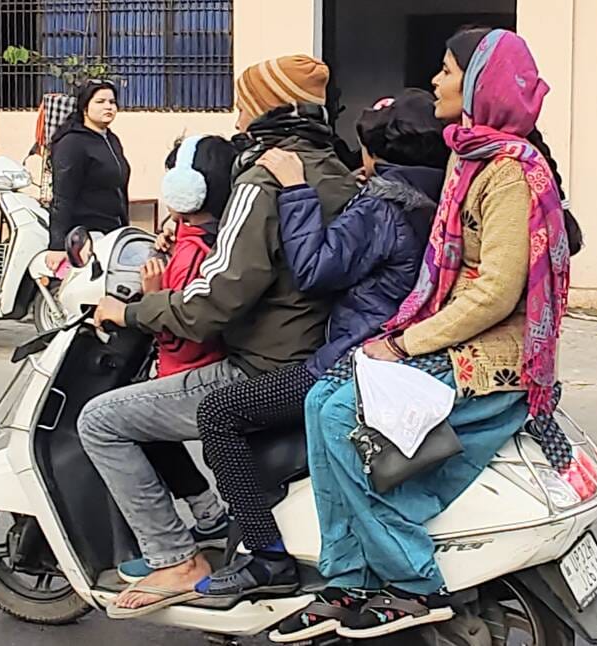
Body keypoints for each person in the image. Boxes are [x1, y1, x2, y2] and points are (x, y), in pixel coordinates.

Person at [273, 28, 581, 642]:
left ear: (479, 85)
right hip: (451, 338)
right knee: (318, 400)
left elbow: (495, 290)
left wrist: (404, 343)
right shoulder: (472, 159)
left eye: (446, 71)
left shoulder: (509, 173)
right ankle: (347, 579)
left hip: (490, 357)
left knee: (342, 418)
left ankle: (413, 585)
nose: (436, 81)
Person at [79, 54, 358, 618]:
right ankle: (211, 518)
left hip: (264, 367)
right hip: (321, 359)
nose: (238, 118)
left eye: (244, 104)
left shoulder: (261, 184)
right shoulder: (339, 175)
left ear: (263, 110)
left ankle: (175, 558)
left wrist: (131, 311)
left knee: (101, 420)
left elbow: (214, 300)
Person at [193, 89, 449, 598]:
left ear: (377, 153)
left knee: (218, 413)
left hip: (352, 359)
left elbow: (313, 270)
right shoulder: (437, 196)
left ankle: (266, 556)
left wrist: (294, 190)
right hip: (400, 350)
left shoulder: (382, 206)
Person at [114, 134, 239, 584]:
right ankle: (208, 516)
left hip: (198, 367)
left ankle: (171, 555)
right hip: (220, 361)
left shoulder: (192, 250)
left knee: (116, 421)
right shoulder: (219, 232)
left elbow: (182, 334)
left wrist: (150, 301)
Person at [45, 79, 130, 271]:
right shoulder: (72, 143)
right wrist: (57, 245)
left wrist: (125, 228)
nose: (108, 106)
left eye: (112, 102)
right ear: (85, 107)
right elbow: (62, 196)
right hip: (86, 236)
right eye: (100, 102)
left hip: (112, 233)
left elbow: (120, 190)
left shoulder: (112, 140)